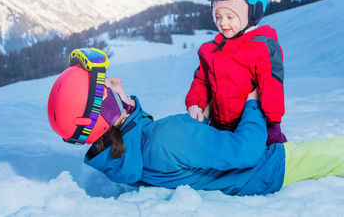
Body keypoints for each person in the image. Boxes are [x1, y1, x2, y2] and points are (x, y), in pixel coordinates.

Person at [47, 48, 344, 196]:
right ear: (108, 109)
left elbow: (151, 140)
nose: (118, 81)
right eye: (109, 85)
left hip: (241, 172)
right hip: (267, 168)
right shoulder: (168, 136)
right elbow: (246, 153)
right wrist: (253, 103)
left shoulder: (121, 157)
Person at [185, 0, 286, 145]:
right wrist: (196, 103)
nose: (222, 23)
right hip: (218, 126)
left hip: (252, 126)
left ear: (253, 12)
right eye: (218, 16)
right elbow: (201, 80)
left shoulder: (262, 47)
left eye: (230, 17)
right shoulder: (211, 49)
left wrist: (273, 125)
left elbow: (272, 84)